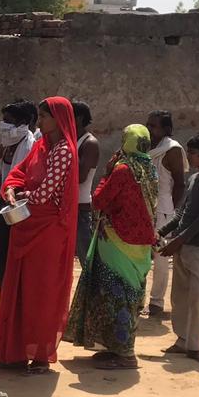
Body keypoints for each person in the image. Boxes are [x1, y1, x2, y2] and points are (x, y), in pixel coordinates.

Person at [0, 97, 79, 374]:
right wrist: (12, 188)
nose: (39, 122)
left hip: (47, 232)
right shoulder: (40, 146)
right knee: (18, 288)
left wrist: (20, 193)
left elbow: (44, 193)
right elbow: (19, 172)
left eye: (44, 117)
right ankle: (13, 352)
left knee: (41, 292)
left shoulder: (64, 151)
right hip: (26, 224)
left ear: (59, 119)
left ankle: (39, 353)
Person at [65, 124, 159, 370]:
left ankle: (125, 353)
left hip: (117, 242)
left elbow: (98, 200)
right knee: (131, 294)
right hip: (140, 246)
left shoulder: (122, 170)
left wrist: (107, 172)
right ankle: (115, 348)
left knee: (115, 295)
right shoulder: (150, 168)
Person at [156, 133, 199, 362]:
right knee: (179, 296)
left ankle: (194, 345)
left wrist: (177, 240)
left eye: (193, 153)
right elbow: (182, 213)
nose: (189, 156)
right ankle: (182, 339)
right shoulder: (195, 178)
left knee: (197, 297)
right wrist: (162, 232)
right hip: (183, 245)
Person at [0, 101, 37, 295]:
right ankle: (4, 306)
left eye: (9, 121)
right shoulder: (7, 145)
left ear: (23, 123)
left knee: (12, 260)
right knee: (1, 260)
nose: (4, 125)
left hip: (18, 207)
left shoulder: (30, 145)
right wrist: (0, 179)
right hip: (5, 202)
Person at [145, 110, 186, 315]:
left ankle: (156, 302)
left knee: (161, 258)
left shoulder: (172, 149)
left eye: (154, 126)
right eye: (148, 125)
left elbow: (180, 183)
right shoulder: (145, 146)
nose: (149, 129)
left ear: (166, 129)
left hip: (163, 210)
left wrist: (173, 213)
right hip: (143, 208)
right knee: (141, 255)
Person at [72, 100, 99, 266]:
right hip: (68, 205)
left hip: (80, 206)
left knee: (87, 258)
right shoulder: (72, 140)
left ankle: (94, 291)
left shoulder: (89, 143)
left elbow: (81, 176)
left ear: (79, 118)